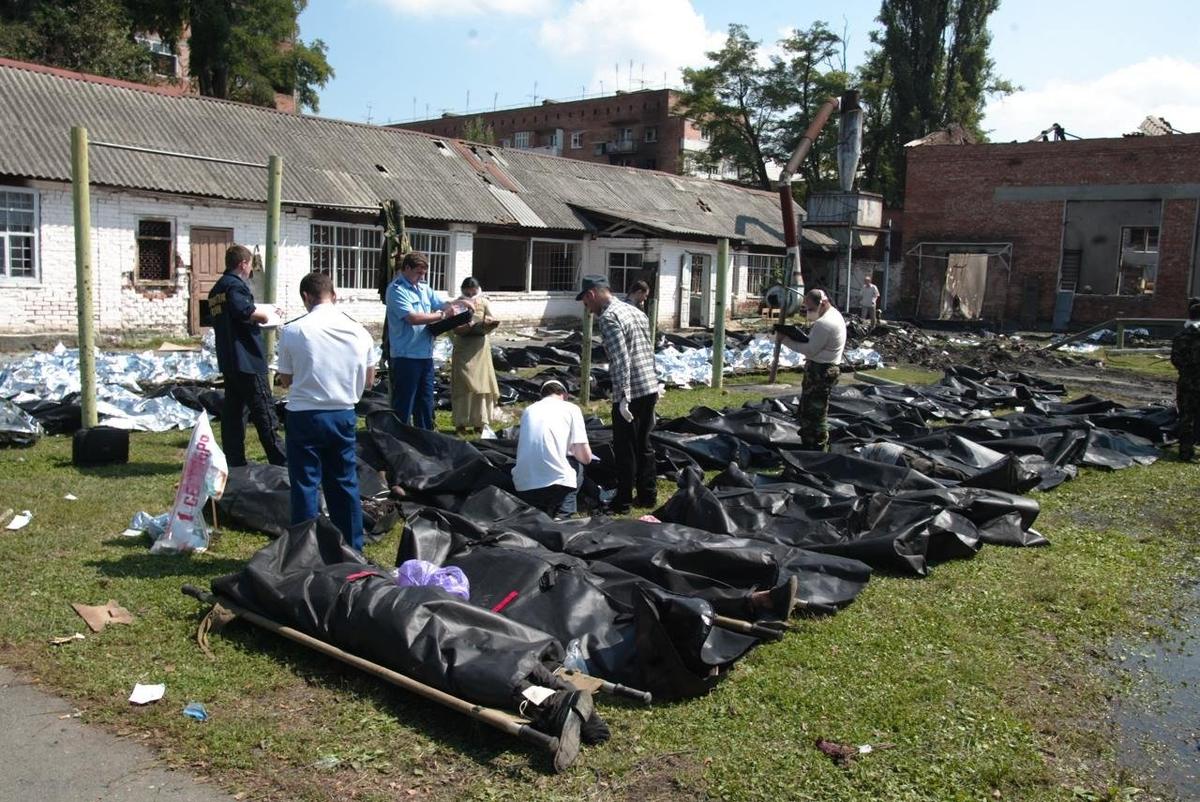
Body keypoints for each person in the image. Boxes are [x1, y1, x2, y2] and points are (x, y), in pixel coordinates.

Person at [276, 272, 376, 550]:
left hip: (304, 413)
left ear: (306, 297)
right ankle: (352, 547)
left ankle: (305, 549)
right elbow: (370, 379)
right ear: (334, 295)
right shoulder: (359, 331)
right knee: (344, 482)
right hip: (342, 412)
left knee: (305, 483)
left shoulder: (293, 330)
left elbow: (285, 379)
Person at [577, 274, 658, 513]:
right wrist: (655, 380)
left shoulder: (609, 318)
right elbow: (648, 348)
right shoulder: (634, 311)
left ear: (592, 294)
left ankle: (622, 501)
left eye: (586, 304)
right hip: (648, 386)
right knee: (644, 443)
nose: (589, 310)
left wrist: (623, 397)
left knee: (625, 448)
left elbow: (620, 359)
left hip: (630, 392)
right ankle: (648, 495)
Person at [208, 244, 286, 467]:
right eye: (250, 264)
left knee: (233, 414)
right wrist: (270, 314)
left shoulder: (216, 290)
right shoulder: (235, 287)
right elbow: (248, 312)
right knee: (264, 412)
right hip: (248, 359)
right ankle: (281, 461)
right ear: (243, 264)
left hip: (229, 359)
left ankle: (234, 460)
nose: (251, 268)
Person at [385, 251, 471, 429]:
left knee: (425, 401)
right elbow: (412, 318)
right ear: (406, 268)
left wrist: (459, 304)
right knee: (404, 402)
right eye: (418, 272)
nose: (421, 277)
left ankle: (424, 436)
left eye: (424, 273)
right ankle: (399, 438)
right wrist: (442, 315)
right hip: (406, 356)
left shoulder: (424, 288)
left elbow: (441, 304)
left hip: (425, 354)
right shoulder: (396, 290)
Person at [778, 288, 846, 452]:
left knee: (815, 412)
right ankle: (812, 442)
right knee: (811, 408)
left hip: (821, 371)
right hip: (824, 367)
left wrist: (785, 340)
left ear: (822, 304)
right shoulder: (834, 314)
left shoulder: (825, 323)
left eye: (810, 309)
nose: (808, 312)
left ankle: (816, 447)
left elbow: (810, 349)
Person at [512, 379, 593, 517]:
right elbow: (586, 458)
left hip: (524, 485)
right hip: (556, 484)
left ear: (542, 395)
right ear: (565, 395)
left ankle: (542, 511)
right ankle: (563, 513)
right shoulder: (571, 408)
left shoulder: (528, 410)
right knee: (578, 467)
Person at [450, 277, 500, 434]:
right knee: (463, 385)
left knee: (482, 385)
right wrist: (466, 326)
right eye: (467, 292)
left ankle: (480, 422)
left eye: (473, 292)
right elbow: (452, 327)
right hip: (463, 348)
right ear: (462, 290)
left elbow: (492, 319)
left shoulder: (484, 302)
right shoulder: (457, 303)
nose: (471, 295)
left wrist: (488, 322)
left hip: (480, 348)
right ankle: (461, 423)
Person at [1170, 301, 1200, 461]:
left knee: (1186, 417)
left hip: (1187, 382)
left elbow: (1175, 360)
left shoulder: (1181, 336)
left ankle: (1185, 451)